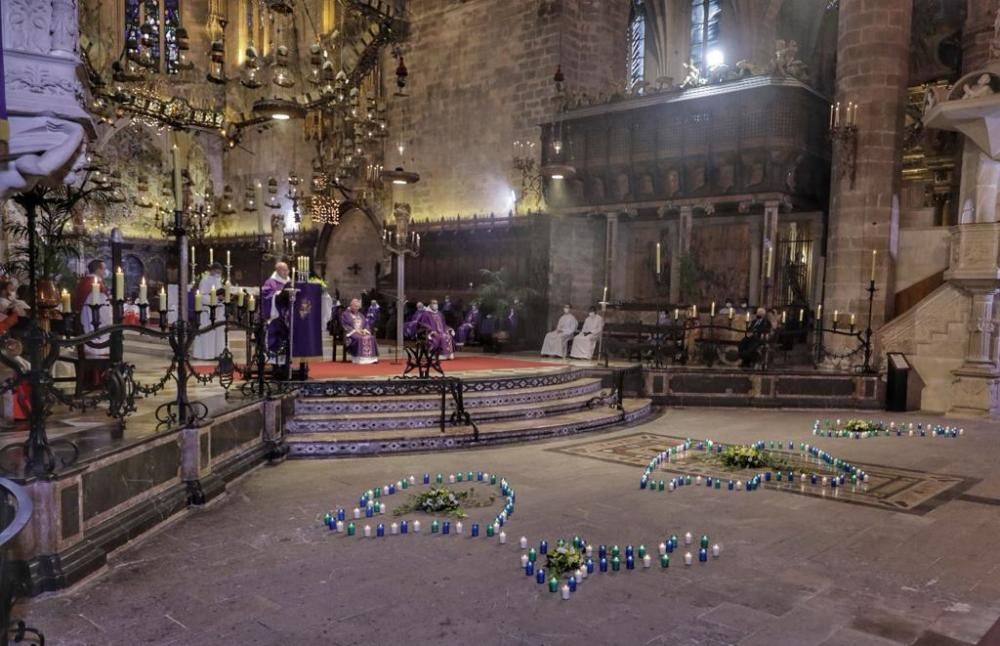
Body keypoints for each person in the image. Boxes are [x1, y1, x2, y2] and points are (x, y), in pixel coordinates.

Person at [261, 261, 292, 368]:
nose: (286, 272)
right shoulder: (270, 282)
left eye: (287, 270)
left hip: (287, 318)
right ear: (277, 270)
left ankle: (286, 364)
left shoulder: (290, 282)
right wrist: (277, 295)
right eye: (284, 270)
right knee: (276, 340)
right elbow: (265, 296)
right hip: (276, 318)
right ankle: (275, 365)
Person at [193, 262, 226, 360]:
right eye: (216, 272)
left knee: (218, 332)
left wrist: (221, 298)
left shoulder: (218, 280)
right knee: (208, 333)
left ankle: (218, 353)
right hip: (207, 311)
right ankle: (206, 354)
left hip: (218, 311)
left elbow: (220, 293)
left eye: (219, 272)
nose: (218, 274)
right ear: (211, 270)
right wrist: (215, 298)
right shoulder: (205, 280)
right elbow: (202, 296)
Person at [340, 298, 379, 364]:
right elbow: (344, 325)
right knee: (359, 338)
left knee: (371, 338)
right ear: (351, 305)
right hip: (351, 333)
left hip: (361, 332)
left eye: (357, 306)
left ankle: (371, 359)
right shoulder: (345, 314)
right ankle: (359, 359)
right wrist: (355, 331)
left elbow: (366, 324)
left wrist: (365, 330)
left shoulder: (360, 315)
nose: (356, 308)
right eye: (355, 306)